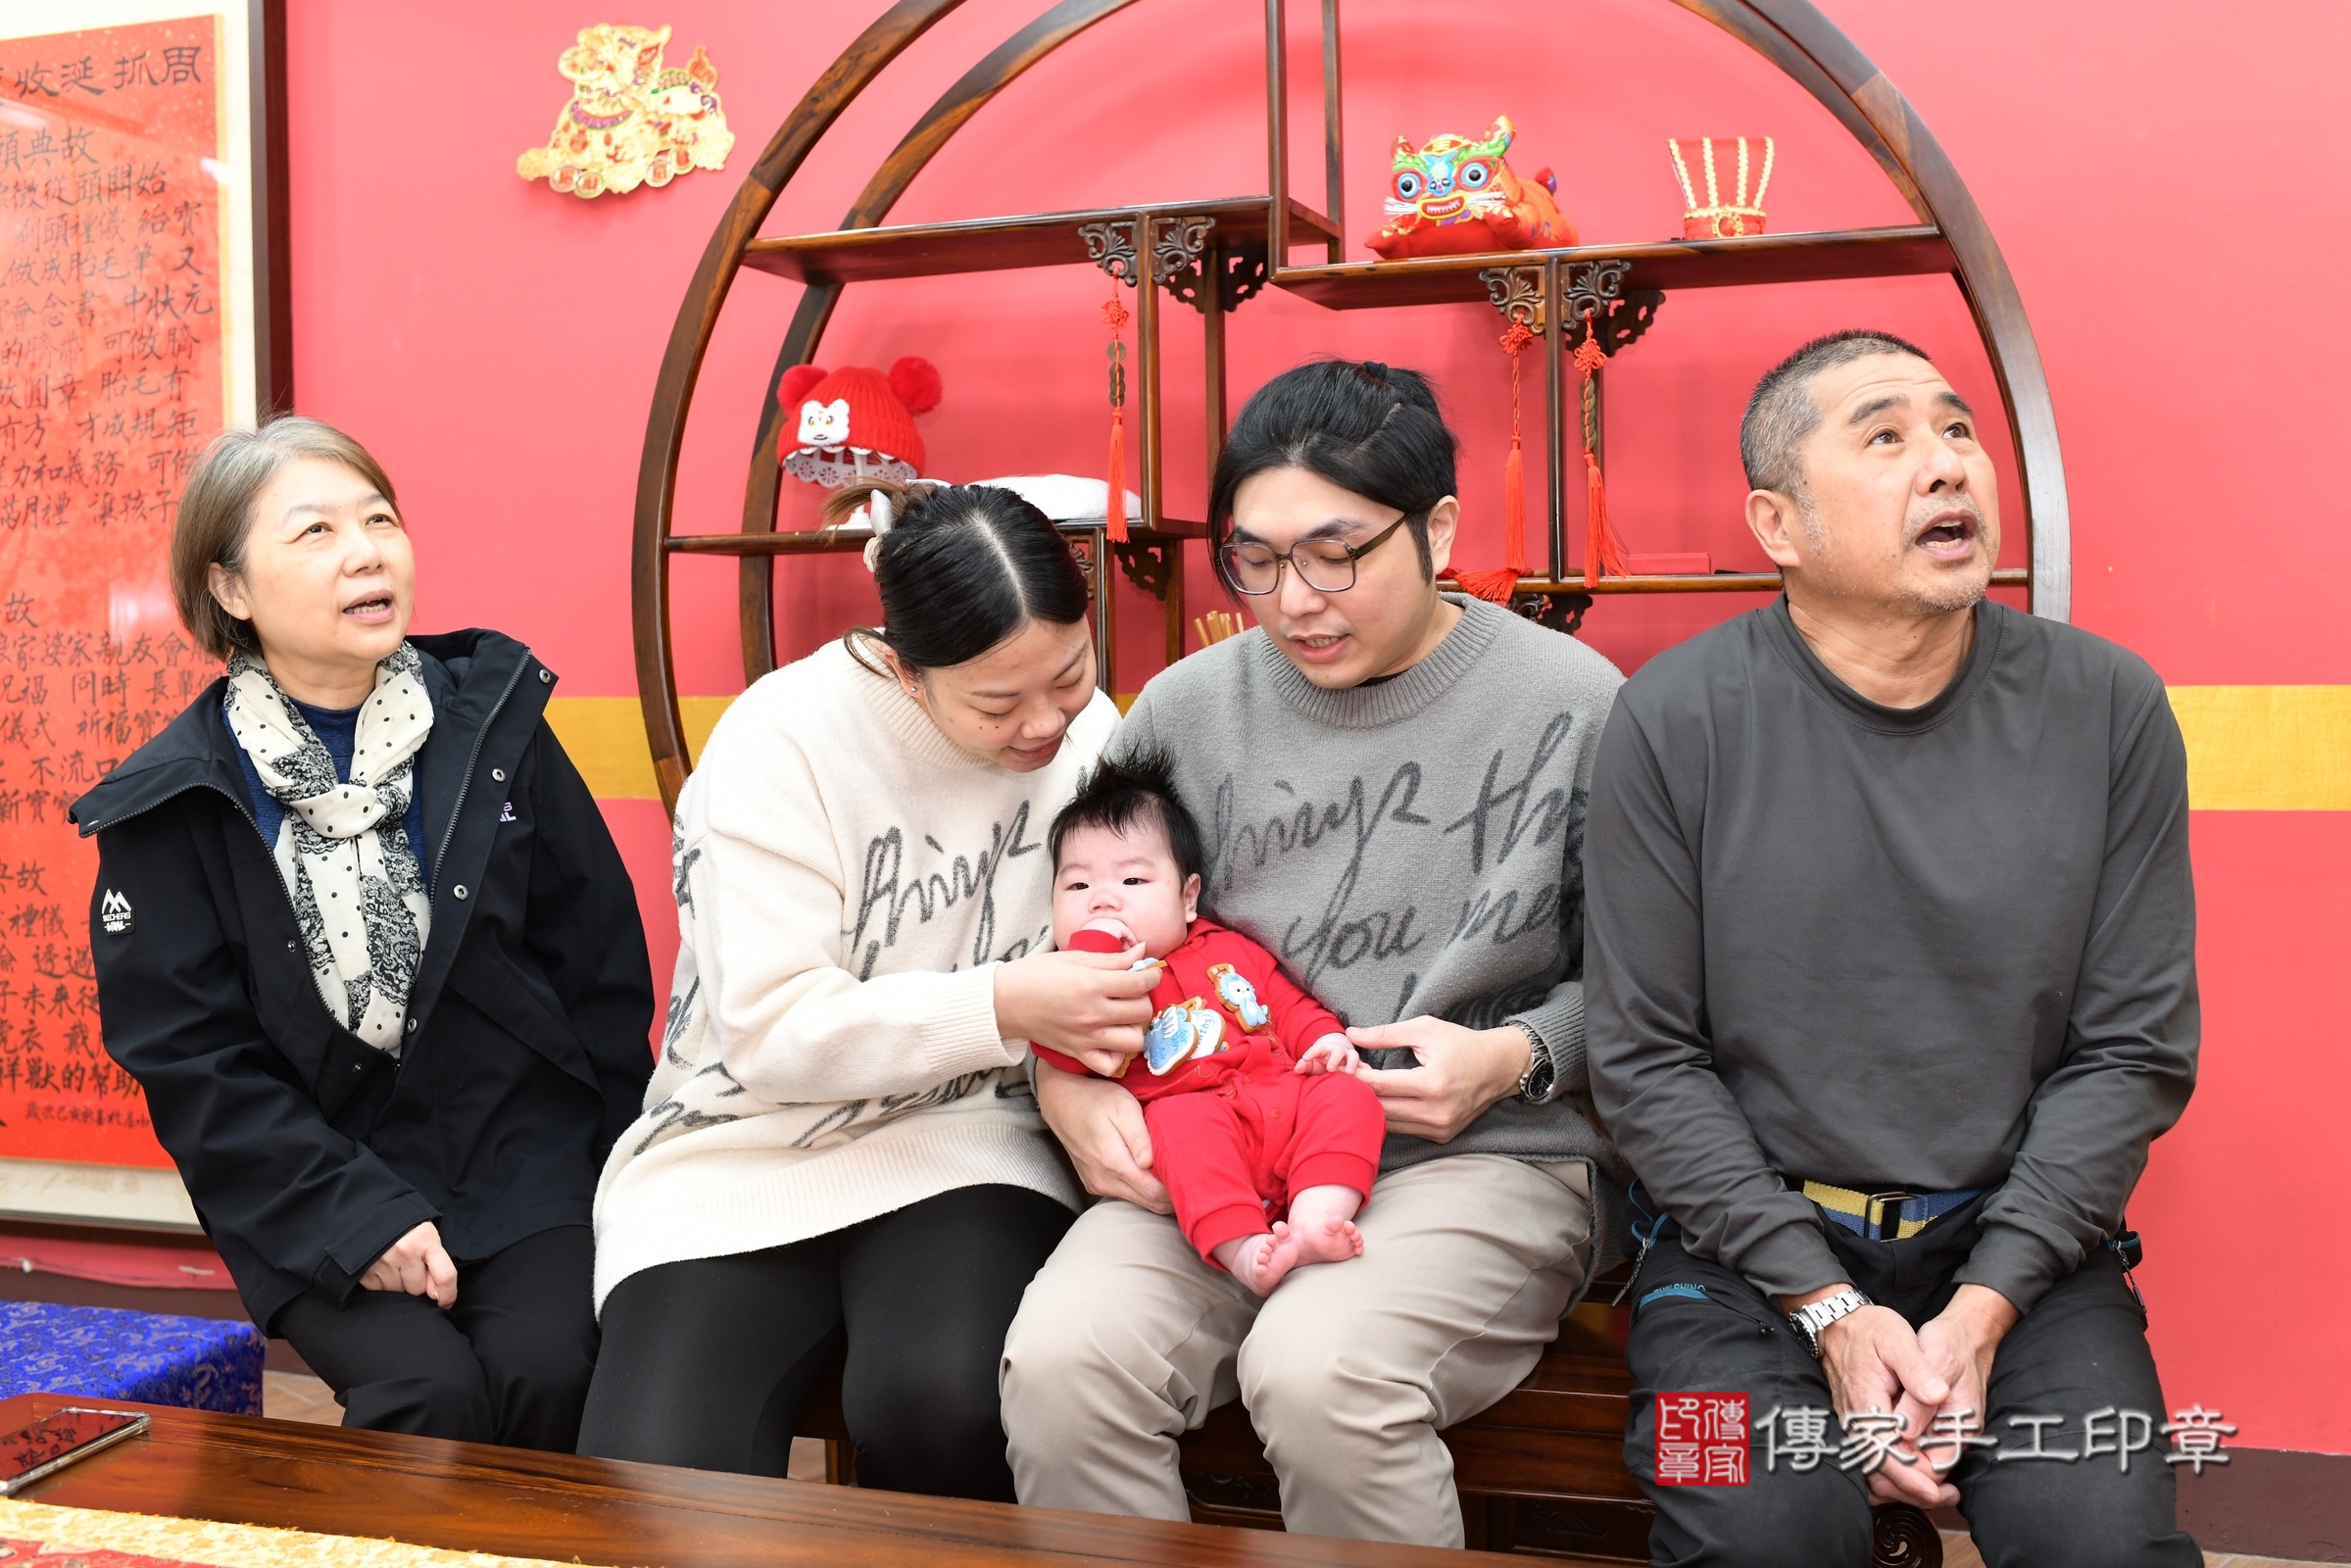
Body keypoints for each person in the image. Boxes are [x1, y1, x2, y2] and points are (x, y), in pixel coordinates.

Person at [1584, 329, 2201, 1566]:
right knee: (1738, 1528)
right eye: (1884, 435)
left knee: (2104, 1540)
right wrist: (1826, 1307)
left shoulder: (2108, 706)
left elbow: (2132, 1051)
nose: (1946, 462)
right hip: (1728, 1266)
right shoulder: (1667, 717)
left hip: (2020, 1256)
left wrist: (1981, 1309)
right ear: (1777, 524)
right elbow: (1644, 1059)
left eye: (1956, 428)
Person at [1001, 359, 1627, 1547]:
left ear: (1437, 529)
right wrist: (1062, 1084)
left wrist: (1511, 1057)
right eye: (1255, 559)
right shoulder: (1182, 711)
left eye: (1336, 554)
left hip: (1476, 1155)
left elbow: (1657, 989)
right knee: (1062, 1365)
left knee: (1320, 1370)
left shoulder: (1573, 702)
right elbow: (1083, 942)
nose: (1293, 600)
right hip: (1208, 1143)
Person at [76, 416, 655, 1450]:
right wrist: (353, 1216)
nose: (366, 552)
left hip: (518, 1151)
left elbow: (597, 967)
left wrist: (622, 1171)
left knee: (549, 1371)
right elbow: (194, 1062)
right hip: (305, 1171)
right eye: (316, 531)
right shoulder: (173, 800)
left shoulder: (495, 727)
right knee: (427, 1400)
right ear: (230, 588)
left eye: (379, 519)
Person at [575, 478, 1156, 1498]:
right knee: (655, 1485)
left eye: (1068, 673)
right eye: (995, 702)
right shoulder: (780, 740)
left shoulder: (1091, 736)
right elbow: (771, 1034)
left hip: (968, 1138)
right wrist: (1005, 1004)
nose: (1044, 723)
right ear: (902, 669)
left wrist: (1069, 1079)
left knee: (946, 1401)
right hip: (739, 1149)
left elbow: (1132, 966)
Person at [1035, 751, 1387, 1295]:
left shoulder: (1231, 949)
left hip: (1283, 1102)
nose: (1103, 900)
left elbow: (1287, 1005)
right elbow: (1059, 1049)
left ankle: (1317, 1216)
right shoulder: (1076, 987)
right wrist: (1090, 961)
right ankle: (1242, 1247)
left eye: (1132, 879)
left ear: (1188, 897)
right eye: (1077, 888)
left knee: (1350, 1095)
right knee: (1181, 1124)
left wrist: (1326, 1039)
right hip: (1200, 1131)